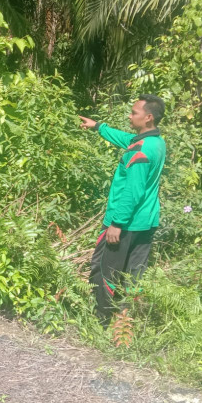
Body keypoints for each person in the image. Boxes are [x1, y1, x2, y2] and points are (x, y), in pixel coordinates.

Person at [78, 94, 167, 326]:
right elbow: (127, 139)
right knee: (133, 274)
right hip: (146, 222)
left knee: (105, 270)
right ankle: (125, 323)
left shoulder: (140, 153)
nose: (129, 115)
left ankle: (102, 322)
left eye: (134, 112)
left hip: (125, 224)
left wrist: (116, 223)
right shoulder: (155, 142)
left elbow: (132, 191)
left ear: (148, 117)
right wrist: (99, 127)